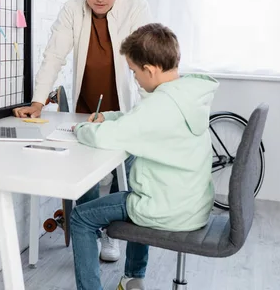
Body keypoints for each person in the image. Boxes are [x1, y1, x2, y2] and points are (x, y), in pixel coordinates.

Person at [13, 0, 152, 260]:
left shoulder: (136, 7)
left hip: (123, 109)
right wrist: (38, 102)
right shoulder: (72, 9)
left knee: (125, 174)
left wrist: (150, 111)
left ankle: (113, 235)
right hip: (85, 106)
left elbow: (143, 60)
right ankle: (94, 232)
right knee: (84, 173)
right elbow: (54, 55)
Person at [70, 23, 219, 290]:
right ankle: (133, 279)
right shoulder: (184, 95)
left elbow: (106, 137)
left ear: (149, 70)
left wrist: (81, 128)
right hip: (192, 205)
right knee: (136, 196)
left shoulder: (159, 106)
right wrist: (109, 116)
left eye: (134, 72)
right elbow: (138, 121)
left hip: (166, 209)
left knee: (81, 217)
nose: (135, 79)